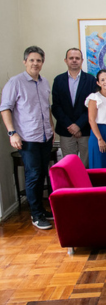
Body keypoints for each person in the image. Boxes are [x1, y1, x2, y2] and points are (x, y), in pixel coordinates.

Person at [0, 46, 55, 230]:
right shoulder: (15, 82)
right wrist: (11, 132)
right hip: (27, 138)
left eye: (38, 60)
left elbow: (46, 108)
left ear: (42, 62)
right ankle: (36, 215)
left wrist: (51, 127)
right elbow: (5, 108)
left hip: (45, 137)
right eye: (32, 60)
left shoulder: (45, 82)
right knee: (33, 176)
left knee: (42, 175)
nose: (35, 63)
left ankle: (41, 209)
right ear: (25, 62)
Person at [51, 48, 97, 168]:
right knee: (69, 167)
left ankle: (85, 187)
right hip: (66, 131)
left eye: (77, 58)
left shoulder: (91, 80)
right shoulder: (58, 80)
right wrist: (70, 125)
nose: (74, 60)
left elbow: (93, 107)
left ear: (82, 61)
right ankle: (72, 188)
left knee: (86, 166)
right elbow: (56, 106)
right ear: (66, 60)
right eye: (71, 58)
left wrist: (78, 125)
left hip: (86, 130)